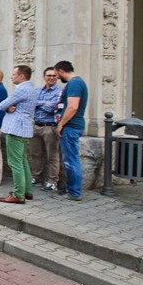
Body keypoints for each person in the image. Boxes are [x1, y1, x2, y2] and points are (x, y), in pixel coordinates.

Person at [0, 65, 38, 204]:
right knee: (23, 161)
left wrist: (7, 107)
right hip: (24, 128)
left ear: (22, 76)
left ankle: (18, 194)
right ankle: (27, 191)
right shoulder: (31, 88)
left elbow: (2, 105)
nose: (11, 76)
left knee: (15, 163)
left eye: (14, 74)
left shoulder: (21, 89)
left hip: (15, 128)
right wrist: (9, 107)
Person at [54, 60, 88, 202]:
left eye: (56, 74)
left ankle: (74, 191)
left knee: (71, 160)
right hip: (72, 126)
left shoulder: (74, 83)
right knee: (70, 159)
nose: (56, 78)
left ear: (61, 71)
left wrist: (61, 124)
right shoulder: (77, 82)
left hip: (71, 126)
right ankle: (71, 188)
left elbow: (72, 107)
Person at [30, 67, 63, 192]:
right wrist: (45, 103)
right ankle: (36, 177)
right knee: (35, 154)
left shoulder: (60, 91)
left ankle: (52, 181)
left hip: (50, 127)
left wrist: (40, 103)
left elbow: (53, 108)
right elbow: (32, 103)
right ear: (44, 77)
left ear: (57, 77)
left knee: (52, 156)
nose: (51, 78)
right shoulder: (37, 90)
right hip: (36, 125)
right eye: (49, 75)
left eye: (54, 76)